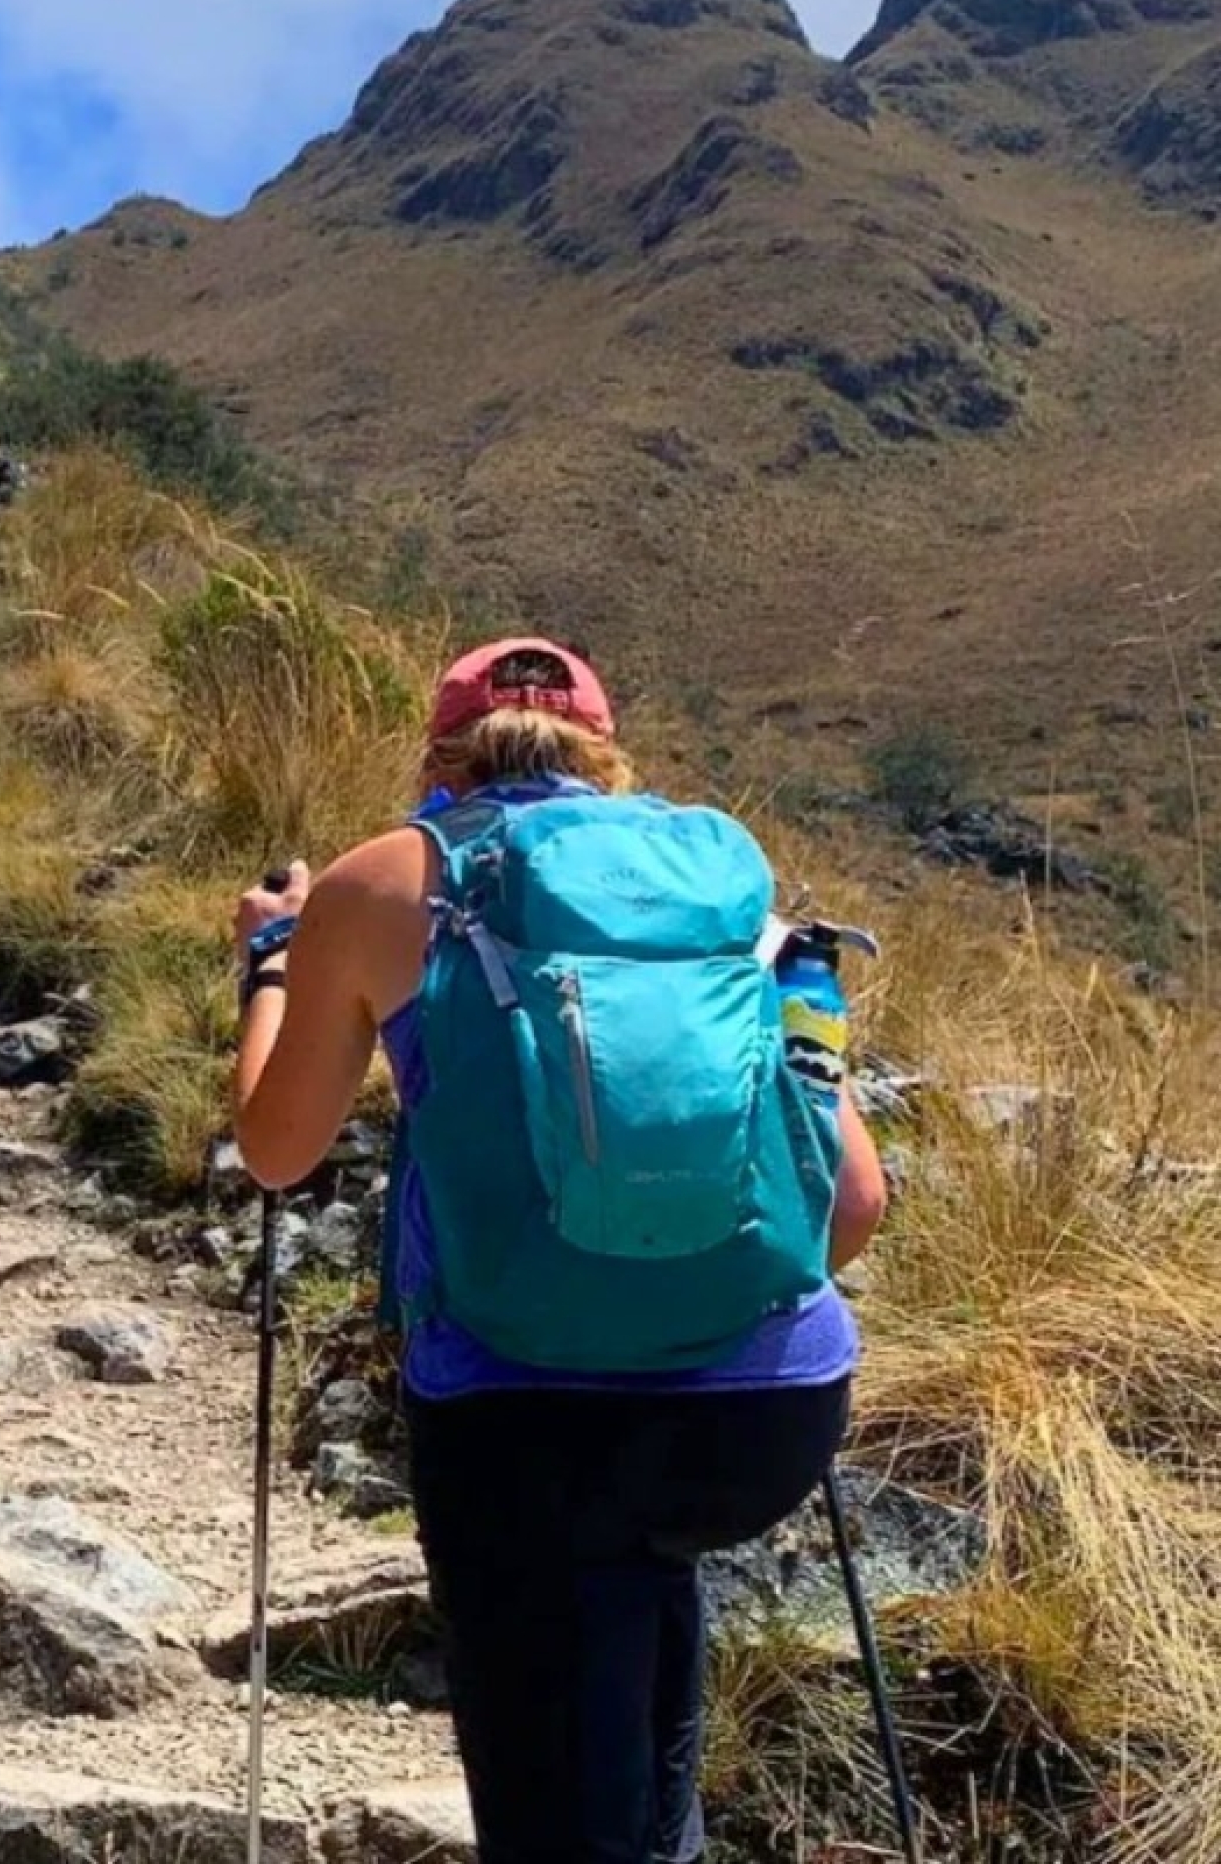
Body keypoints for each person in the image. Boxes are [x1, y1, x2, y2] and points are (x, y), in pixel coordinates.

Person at [228, 637, 889, 1864]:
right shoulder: (724, 890)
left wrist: (271, 960)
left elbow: (277, 1150)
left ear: (438, 757)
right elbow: (852, 1203)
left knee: (556, 1815)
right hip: (767, 1414)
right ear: (605, 754)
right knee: (642, 1641)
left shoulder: (384, 883)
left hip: (522, 1418)